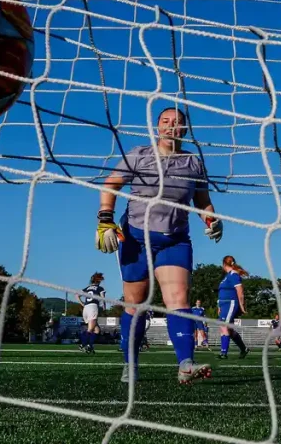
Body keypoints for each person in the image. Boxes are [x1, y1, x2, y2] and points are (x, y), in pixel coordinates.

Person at [96, 107, 221, 385]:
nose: (170, 126)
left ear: (185, 130)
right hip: (136, 239)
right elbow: (111, 184)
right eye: (165, 121)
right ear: (157, 127)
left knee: (178, 300)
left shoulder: (193, 162)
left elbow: (202, 200)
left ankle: (186, 364)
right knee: (136, 304)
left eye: (176, 122)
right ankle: (130, 364)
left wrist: (211, 220)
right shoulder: (139, 155)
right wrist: (105, 218)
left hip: (174, 239)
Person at [217, 255, 249, 360]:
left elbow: (240, 292)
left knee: (224, 327)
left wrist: (241, 305)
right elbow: (222, 292)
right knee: (229, 330)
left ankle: (223, 353)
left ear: (224, 264)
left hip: (230, 303)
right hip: (223, 304)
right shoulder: (227, 276)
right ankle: (243, 349)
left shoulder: (234, 275)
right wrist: (219, 306)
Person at [75, 272, 106, 354]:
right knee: (90, 330)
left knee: (97, 330)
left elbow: (77, 295)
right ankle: (83, 345)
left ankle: (90, 346)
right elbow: (103, 299)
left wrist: (82, 304)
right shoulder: (100, 288)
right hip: (93, 308)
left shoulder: (87, 288)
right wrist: (104, 307)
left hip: (86, 309)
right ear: (98, 281)